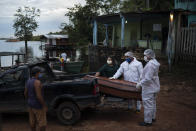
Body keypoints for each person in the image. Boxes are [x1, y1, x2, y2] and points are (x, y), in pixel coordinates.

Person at [136, 49, 160, 126]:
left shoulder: (150, 65)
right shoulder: (154, 62)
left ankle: (147, 121)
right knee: (152, 103)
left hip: (149, 87)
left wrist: (140, 84)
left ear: (149, 56)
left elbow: (147, 78)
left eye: (145, 55)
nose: (144, 57)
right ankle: (152, 117)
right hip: (154, 86)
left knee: (147, 104)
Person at [24, 67, 47, 131]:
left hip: (30, 105)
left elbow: (25, 93)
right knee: (42, 123)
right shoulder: (37, 82)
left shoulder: (28, 81)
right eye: (40, 72)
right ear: (37, 73)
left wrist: (29, 100)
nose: (41, 74)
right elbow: (39, 96)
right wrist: (44, 106)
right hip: (38, 106)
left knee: (32, 122)